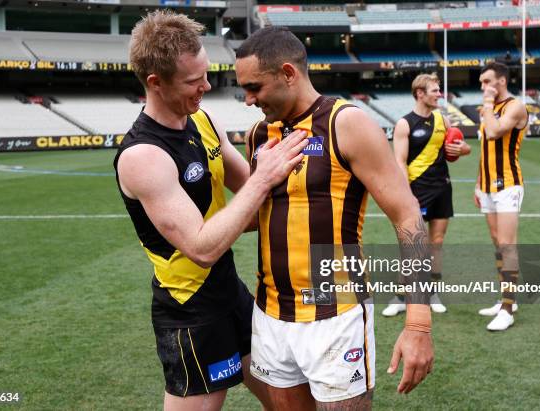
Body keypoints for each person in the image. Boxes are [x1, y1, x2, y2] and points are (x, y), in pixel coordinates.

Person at [114, 11, 309, 410]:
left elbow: (254, 194)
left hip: (231, 292)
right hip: (190, 310)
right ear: (154, 82)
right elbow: (202, 247)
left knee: (292, 402)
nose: (206, 86)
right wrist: (261, 181)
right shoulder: (143, 156)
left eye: (206, 74)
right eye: (192, 81)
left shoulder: (202, 119)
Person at [235, 27, 434, 410]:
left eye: (255, 87)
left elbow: (407, 215)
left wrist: (418, 323)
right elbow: (256, 215)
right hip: (271, 316)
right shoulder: (259, 134)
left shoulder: (347, 123)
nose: (247, 99)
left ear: (289, 74)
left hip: (334, 317)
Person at [385, 73, 471, 317]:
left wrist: (462, 149)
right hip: (416, 191)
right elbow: (399, 161)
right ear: (420, 93)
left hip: (442, 187)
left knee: (437, 243)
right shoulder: (404, 124)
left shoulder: (443, 120)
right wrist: (407, 193)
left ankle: (432, 293)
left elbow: (460, 148)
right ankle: (402, 296)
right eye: (434, 90)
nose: (439, 94)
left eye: (439, 90)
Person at [474, 62, 528, 331]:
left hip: (508, 184)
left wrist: (486, 102)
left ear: (501, 82)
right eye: (482, 83)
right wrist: (477, 184)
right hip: (487, 186)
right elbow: (485, 148)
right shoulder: (489, 109)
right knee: (497, 242)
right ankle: (507, 299)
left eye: (487, 81)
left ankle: (507, 309)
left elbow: (495, 132)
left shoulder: (514, 106)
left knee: (507, 244)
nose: (483, 87)